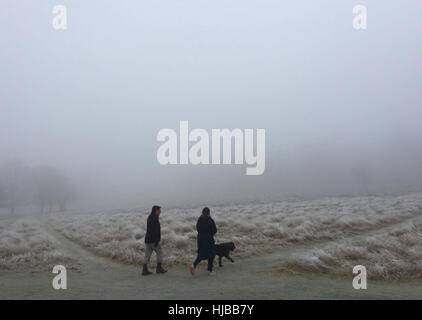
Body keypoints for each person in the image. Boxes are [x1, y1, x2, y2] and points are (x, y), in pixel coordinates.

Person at [190, 207, 217, 276]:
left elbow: (197, 228)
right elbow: (214, 230)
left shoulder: (199, 219)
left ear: (202, 212)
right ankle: (210, 270)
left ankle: (193, 265)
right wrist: (210, 234)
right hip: (208, 239)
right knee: (212, 253)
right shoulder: (210, 220)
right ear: (209, 213)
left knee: (201, 254)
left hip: (200, 239)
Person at [142, 205, 167, 275]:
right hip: (153, 240)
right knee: (160, 252)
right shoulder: (154, 218)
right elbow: (155, 231)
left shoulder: (150, 217)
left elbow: (150, 230)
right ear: (156, 211)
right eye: (159, 211)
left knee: (147, 255)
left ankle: (144, 269)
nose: (160, 212)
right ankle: (159, 268)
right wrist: (156, 241)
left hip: (148, 240)